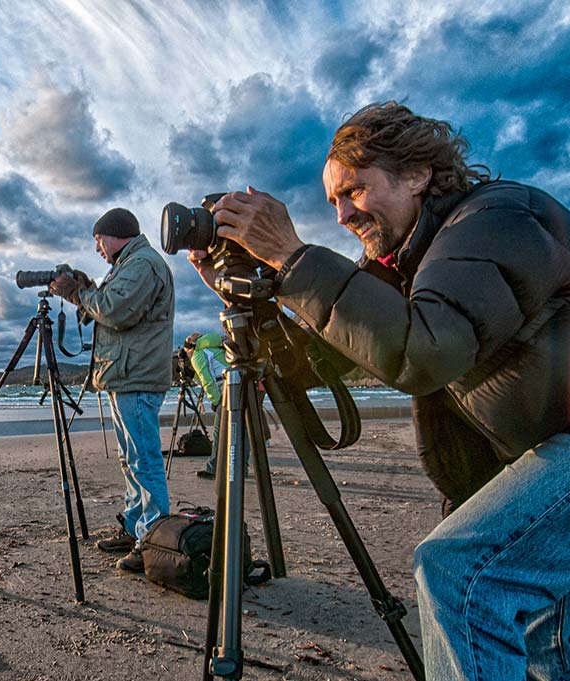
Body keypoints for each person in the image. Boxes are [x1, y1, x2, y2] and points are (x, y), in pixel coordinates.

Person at [189, 101, 570, 680]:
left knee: (461, 572)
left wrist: (293, 256)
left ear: (417, 173)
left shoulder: (499, 219)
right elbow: (313, 364)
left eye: (355, 191)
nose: (343, 214)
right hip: (540, 447)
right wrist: (254, 292)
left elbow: (424, 351)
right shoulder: (403, 261)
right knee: (548, 639)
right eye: (333, 202)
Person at [49, 207, 175, 573]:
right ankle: (137, 528)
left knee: (143, 460)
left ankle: (152, 539)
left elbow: (117, 310)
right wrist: (86, 290)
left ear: (116, 234)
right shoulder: (129, 265)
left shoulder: (142, 264)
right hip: (126, 375)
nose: (97, 248)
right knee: (131, 458)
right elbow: (109, 305)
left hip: (136, 376)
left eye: (98, 240)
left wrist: (80, 293)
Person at [182, 331, 226, 478]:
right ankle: (241, 467)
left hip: (225, 390)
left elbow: (208, 381)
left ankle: (214, 468)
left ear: (190, 348)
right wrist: (193, 375)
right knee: (240, 430)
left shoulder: (197, 354)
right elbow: (210, 373)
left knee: (220, 431)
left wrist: (215, 401)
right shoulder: (212, 348)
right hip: (236, 383)